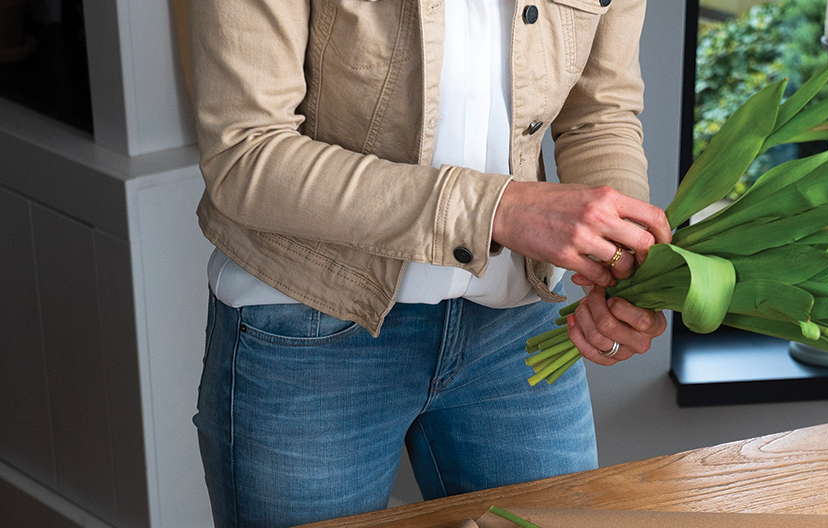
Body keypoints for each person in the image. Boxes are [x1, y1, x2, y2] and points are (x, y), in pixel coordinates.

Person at [188, 0, 670, 526]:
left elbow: (599, 115)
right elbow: (245, 154)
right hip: (308, 321)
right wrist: (498, 209)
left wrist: (618, 267)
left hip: (515, 333)